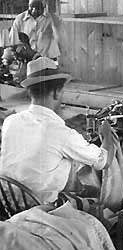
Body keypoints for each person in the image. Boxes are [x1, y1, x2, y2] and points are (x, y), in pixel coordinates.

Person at [0, 57, 114, 204]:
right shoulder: (61, 133)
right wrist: (107, 134)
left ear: (30, 92)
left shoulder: (11, 121)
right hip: (39, 207)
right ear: (56, 92)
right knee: (93, 198)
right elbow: (104, 161)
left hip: (8, 202)